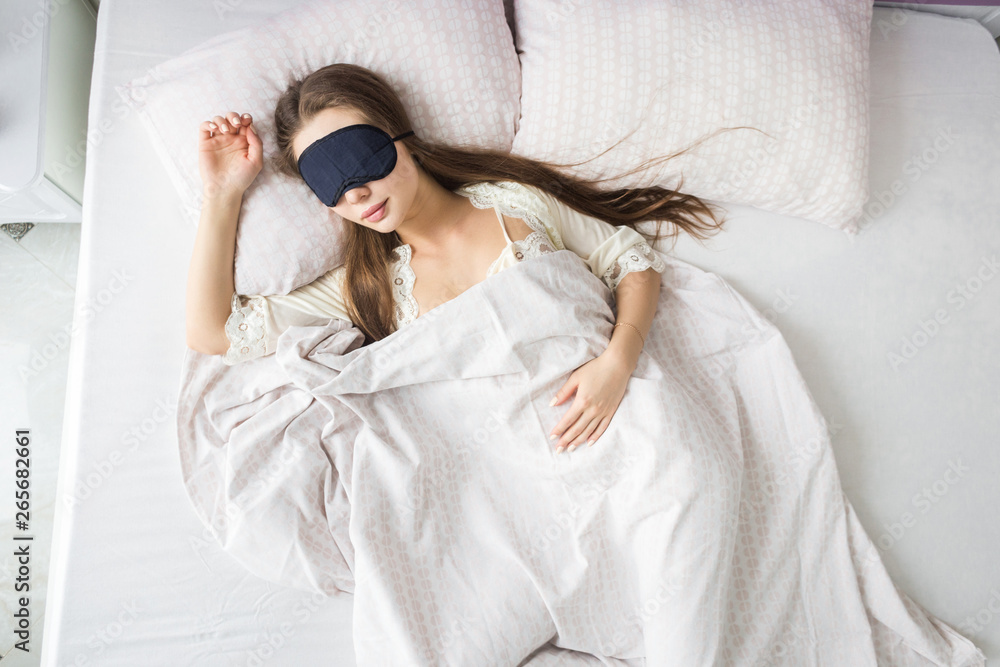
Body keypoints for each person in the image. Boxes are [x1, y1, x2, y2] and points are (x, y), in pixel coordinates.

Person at [185, 63, 725, 455]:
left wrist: (617, 363)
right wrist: (222, 193)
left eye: (359, 159)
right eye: (327, 182)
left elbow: (632, 262)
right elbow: (214, 333)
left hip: (618, 417)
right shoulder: (364, 286)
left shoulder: (513, 202)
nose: (355, 193)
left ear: (402, 138)